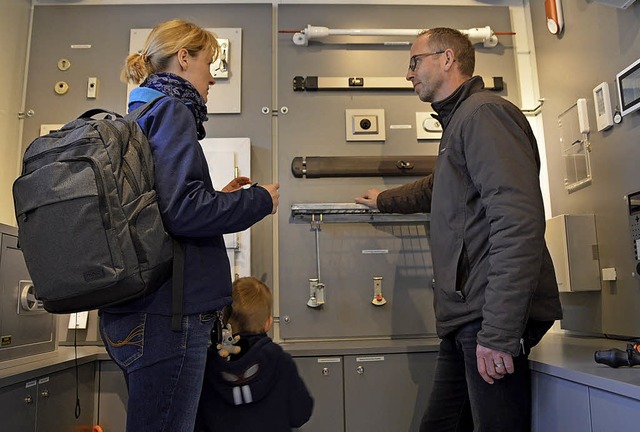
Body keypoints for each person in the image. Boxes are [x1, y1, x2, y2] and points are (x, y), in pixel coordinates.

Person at [355, 28, 562, 432]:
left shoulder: (484, 114)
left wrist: (500, 332)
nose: (408, 73)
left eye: (414, 61)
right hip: (465, 317)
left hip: (487, 316)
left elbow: (518, 222)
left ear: (447, 58)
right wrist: (384, 200)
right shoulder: (460, 124)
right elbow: (437, 188)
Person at [98, 19, 280, 432]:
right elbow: (184, 212)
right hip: (169, 318)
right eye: (208, 63)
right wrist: (258, 200)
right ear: (184, 58)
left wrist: (224, 196)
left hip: (134, 314)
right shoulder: (172, 111)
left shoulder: (138, 113)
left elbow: (162, 211)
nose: (212, 78)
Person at [195, 276, 314, 432]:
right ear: (268, 323)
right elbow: (300, 414)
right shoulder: (278, 360)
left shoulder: (208, 364)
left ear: (223, 319)